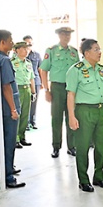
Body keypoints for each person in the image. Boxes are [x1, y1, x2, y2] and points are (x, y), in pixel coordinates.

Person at [66, 39, 103, 192]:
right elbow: (71, 94)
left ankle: (99, 176)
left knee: (101, 147)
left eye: (100, 49)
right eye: (96, 49)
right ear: (86, 53)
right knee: (83, 147)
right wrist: (71, 116)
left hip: (101, 111)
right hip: (84, 111)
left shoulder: (101, 69)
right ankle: (83, 180)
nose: (100, 52)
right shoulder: (76, 70)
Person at [40, 27, 81, 158]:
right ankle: (56, 147)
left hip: (72, 88)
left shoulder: (74, 52)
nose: (66, 37)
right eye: (63, 34)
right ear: (58, 35)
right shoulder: (51, 50)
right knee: (56, 118)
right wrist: (46, 90)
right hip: (57, 88)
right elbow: (43, 70)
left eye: (68, 34)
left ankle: (71, 146)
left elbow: (79, 70)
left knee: (71, 116)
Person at [0, 30, 26, 188]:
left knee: (6, 141)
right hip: (9, 109)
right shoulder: (5, 60)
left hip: (3, 107)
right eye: (10, 40)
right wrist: (13, 110)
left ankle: (9, 168)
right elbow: (6, 86)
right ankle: (9, 176)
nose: (12, 43)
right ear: (2, 42)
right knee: (9, 142)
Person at [11, 41, 36, 148]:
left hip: (27, 89)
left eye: (27, 49)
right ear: (17, 50)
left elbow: (32, 78)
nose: (26, 51)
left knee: (25, 115)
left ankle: (22, 136)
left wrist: (33, 92)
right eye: (23, 48)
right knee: (18, 114)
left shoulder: (28, 63)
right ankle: (15, 138)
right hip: (17, 90)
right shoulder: (12, 62)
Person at [23, 35, 42, 130]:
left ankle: (32, 121)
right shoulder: (21, 55)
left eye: (30, 43)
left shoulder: (36, 55)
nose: (29, 45)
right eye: (27, 43)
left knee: (34, 102)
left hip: (36, 81)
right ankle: (25, 123)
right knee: (26, 103)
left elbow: (40, 68)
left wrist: (42, 82)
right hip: (25, 82)